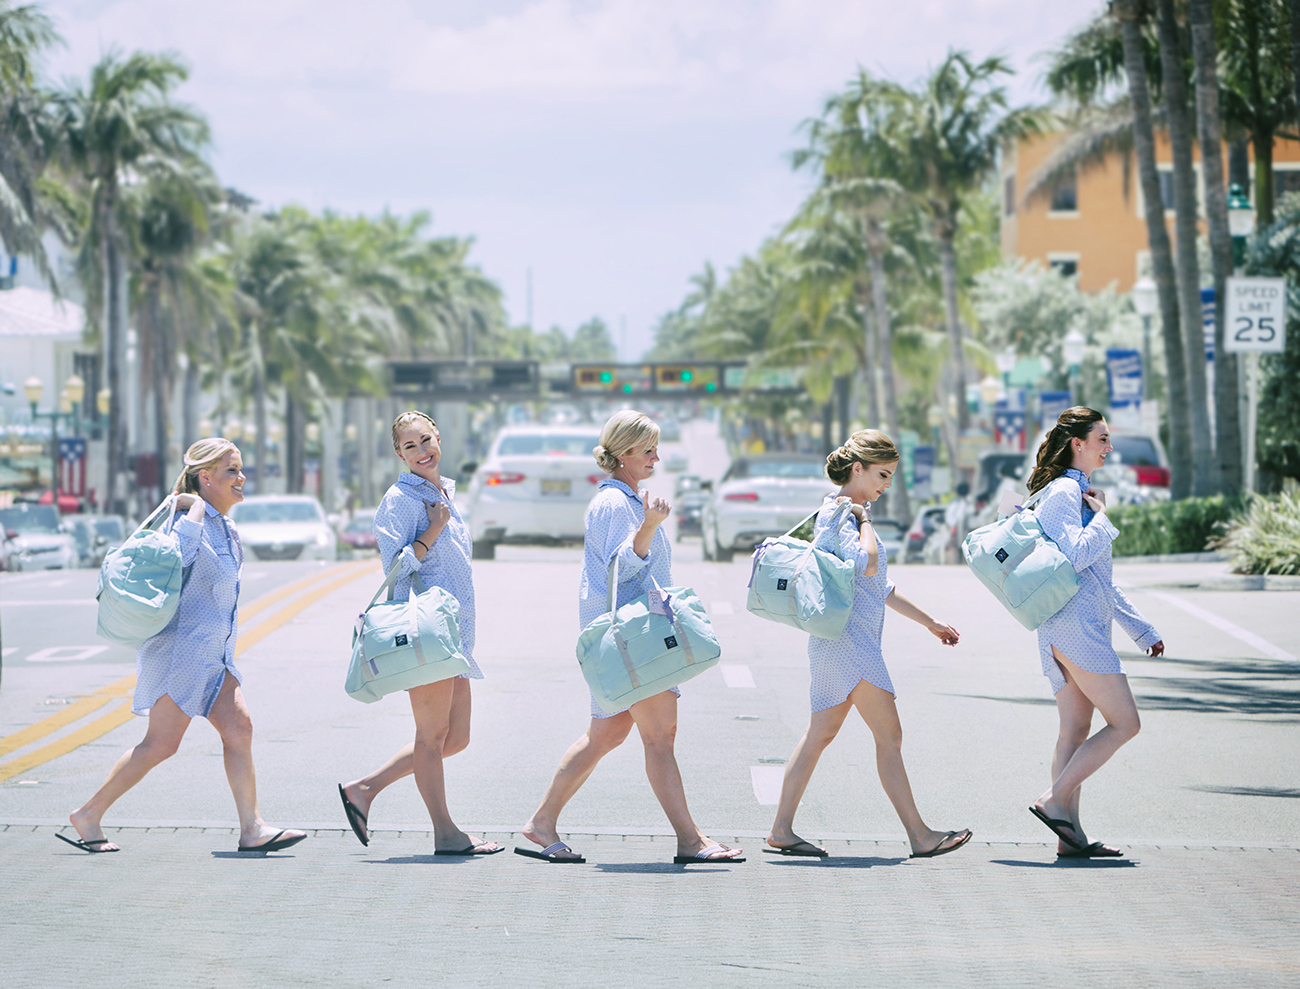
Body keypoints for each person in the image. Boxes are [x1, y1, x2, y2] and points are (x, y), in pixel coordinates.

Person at [517, 410, 743, 864]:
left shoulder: (624, 498)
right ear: (624, 454)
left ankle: (541, 824)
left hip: (632, 637)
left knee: (607, 732)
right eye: (648, 450)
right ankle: (690, 840)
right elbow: (621, 564)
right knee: (660, 736)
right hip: (634, 641)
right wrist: (651, 526)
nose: (657, 458)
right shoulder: (614, 504)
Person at [61, 438, 306, 854]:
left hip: (214, 654)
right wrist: (191, 505)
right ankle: (88, 814)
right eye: (232, 471)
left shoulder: (226, 526)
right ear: (205, 478)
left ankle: (253, 829)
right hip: (181, 655)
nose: (242, 477)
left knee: (239, 728)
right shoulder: (187, 521)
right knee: (160, 744)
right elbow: (181, 555)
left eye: (240, 469)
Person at [766, 430, 971, 859]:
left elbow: (879, 586)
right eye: (882, 474)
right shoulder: (844, 515)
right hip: (851, 647)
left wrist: (930, 622)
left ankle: (781, 829)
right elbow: (869, 562)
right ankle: (920, 835)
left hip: (835, 643)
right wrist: (863, 521)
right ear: (856, 469)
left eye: (892, 476)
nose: (886, 485)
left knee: (820, 733)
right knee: (889, 735)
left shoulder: (838, 512)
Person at [337, 411, 501, 855]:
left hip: (455, 633)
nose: (421, 451)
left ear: (438, 438)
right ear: (399, 454)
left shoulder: (441, 489)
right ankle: (446, 834)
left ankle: (365, 789)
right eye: (410, 447)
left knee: (456, 738)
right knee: (431, 738)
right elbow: (394, 567)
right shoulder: (400, 499)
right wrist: (434, 528)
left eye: (426, 440)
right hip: (427, 631)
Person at [1026, 408, 1164, 858]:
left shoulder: (1071, 490)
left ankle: (1071, 839)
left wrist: (1140, 630)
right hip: (1075, 628)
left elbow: (1100, 580)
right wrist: (1103, 517)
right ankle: (1052, 800)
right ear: (1077, 444)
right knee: (1126, 722)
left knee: (1074, 730)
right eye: (1101, 439)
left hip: (1066, 624)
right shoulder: (1067, 493)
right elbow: (1077, 556)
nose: (1109, 447)